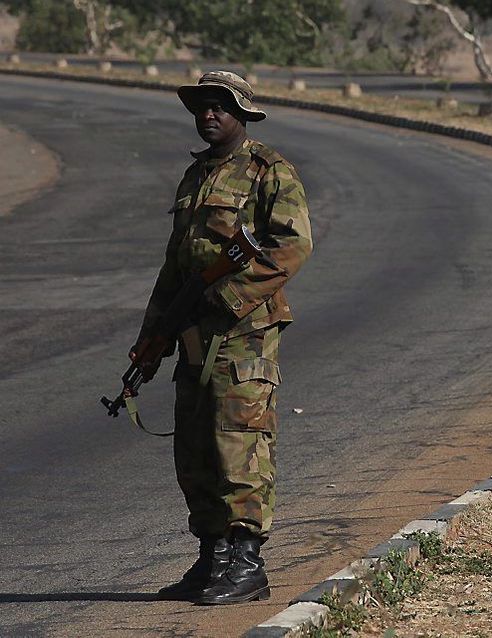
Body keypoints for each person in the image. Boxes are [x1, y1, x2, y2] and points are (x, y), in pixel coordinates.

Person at [136, 70, 313, 604]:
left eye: (220, 106)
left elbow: (292, 245)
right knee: (195, 447)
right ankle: (211, 556)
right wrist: (153, 338)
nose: (209, 115)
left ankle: (246, 561)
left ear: (242, 113)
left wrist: (230, 296)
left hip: (244, 335)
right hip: (192, 333)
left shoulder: (269, 171)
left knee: (239, 443)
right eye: (201, 106)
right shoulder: (194, 178)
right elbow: (175, 268)